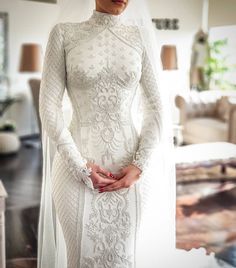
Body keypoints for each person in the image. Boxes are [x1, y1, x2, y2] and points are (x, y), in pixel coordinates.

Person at [37, 0, 218, 267]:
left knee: (125, 257)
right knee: (79, 257)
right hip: (75, 172)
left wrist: (139, 165)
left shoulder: (140, 37)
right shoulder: (64, 34)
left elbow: (156, 108)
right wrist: (81, 167)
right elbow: (48, 107)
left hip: (131, 174)